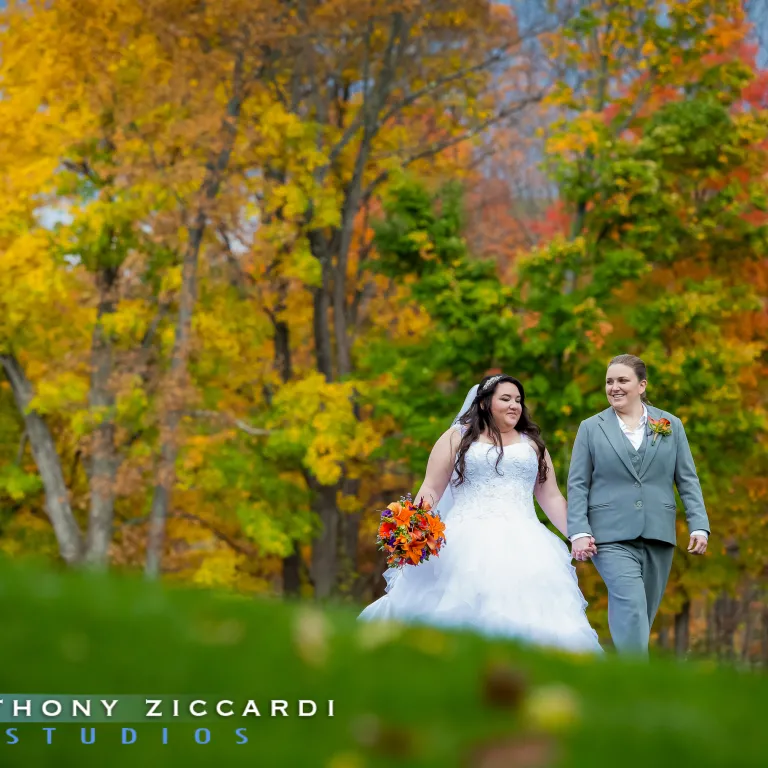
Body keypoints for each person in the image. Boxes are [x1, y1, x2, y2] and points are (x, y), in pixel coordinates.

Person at [358, 374, 602, 654]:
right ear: (485, 403)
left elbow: (551, 497)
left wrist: (577, 534)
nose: (515, 405)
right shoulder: (456, 438)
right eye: (506, 399)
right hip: (463, 541)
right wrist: (414, 526)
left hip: (527, 544)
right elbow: (432, 488)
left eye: (519, 400)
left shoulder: (533, 444)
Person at [567, 354, 710, 657]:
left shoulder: (670, 425)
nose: (614, 387)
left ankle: (622, 680)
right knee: (630, 604)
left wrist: (699, 524)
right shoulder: (591, 428)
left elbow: (687, 479)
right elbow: (578, 483)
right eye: (609, 381)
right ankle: (637, 681)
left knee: (642, 615)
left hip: (659, 533)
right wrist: (578, 530)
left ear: (642, 385)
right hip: (609, 536)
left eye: (622, 380)